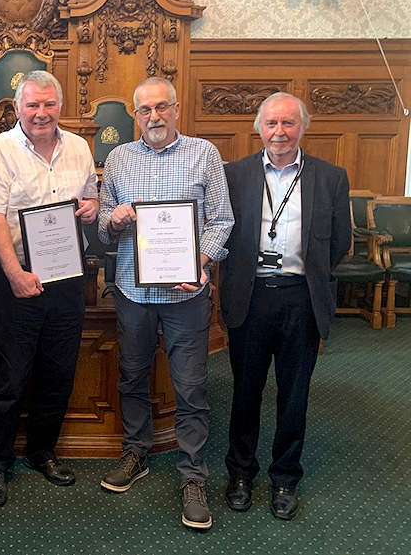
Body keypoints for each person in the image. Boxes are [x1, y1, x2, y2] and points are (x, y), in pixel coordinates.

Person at [97, 77, 233, 530]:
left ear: (176, 109)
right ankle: (136, 453)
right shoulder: (117, 159)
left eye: (161, 108)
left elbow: (221, 218)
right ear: (135, 115)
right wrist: (112, 220)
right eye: (144, 110)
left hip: (186, 295)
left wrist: (201, 260)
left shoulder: (204, 153)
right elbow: (101, 226)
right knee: (131, 376)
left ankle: (192, 474)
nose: (153, 116)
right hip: (133, 292)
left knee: (191, 387)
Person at [220, 92, 350, 520]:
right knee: (245, 392)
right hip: (250, 298)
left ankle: (285, 477)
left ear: (302, 128)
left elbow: (339, 243)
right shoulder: (233, 174)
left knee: (295, 396)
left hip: (301, 300)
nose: (279, 132)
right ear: (259, 128)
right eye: (271, 123)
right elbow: (220, 231)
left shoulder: (331, 177)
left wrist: (306, 274)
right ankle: (240, 473)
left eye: (288, 123)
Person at [0, 70, 98, 507]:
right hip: (18, 280)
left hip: (68, 280)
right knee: (9, 378)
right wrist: (13, 273)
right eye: (32, 105)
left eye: (49, 104)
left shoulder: (80, 148)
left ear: (59, 107)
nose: (41, 113)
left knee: (58, 374)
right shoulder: (0, 151)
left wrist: (90, 208)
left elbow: (91, 198)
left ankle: (41, 451)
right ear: (17, 107)